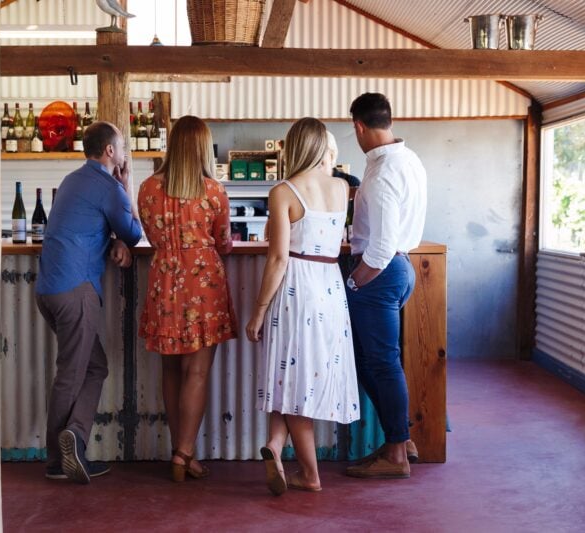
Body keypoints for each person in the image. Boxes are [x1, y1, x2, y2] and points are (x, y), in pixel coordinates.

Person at [246, 117, 360, 496]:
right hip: (330, 287)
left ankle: (310, 475)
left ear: (292, 147)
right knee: (293, 379)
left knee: (292, 378)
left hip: (295, 289)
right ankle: (276, 448)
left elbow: (278, 257)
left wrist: (259, 310)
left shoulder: (284, 191)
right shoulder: (342, 187)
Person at [36, 121, 142, 484]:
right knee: (70, 373)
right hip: (76, 291)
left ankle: (74, 438)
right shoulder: (107, 185)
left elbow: (95, 223)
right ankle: (56, 461)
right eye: (122, 146)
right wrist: (126, 188)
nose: (125, 152)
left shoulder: (72, 180)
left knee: (94, 367)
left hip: (49, 289)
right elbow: (134, 233)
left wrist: (113, 233)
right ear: (110, 151)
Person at [137, 115, 237, 482]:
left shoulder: (147, 188)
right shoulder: (212, 190)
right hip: (203, 282)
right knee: (197, 371)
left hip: (164, 279)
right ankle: (184, 453)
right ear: (201, 147)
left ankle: (178, 452)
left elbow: (148, 234)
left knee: (169, 369)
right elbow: (224, 241)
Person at [344, 93, 427, 479]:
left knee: (381, 362)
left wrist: (353, 280)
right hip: (402, 267)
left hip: (380, 273)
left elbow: (378, 248)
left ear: (359, 126)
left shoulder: (379, 175)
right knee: (369, 362)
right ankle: (400, 439)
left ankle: (395, 453)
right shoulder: (410, 160)